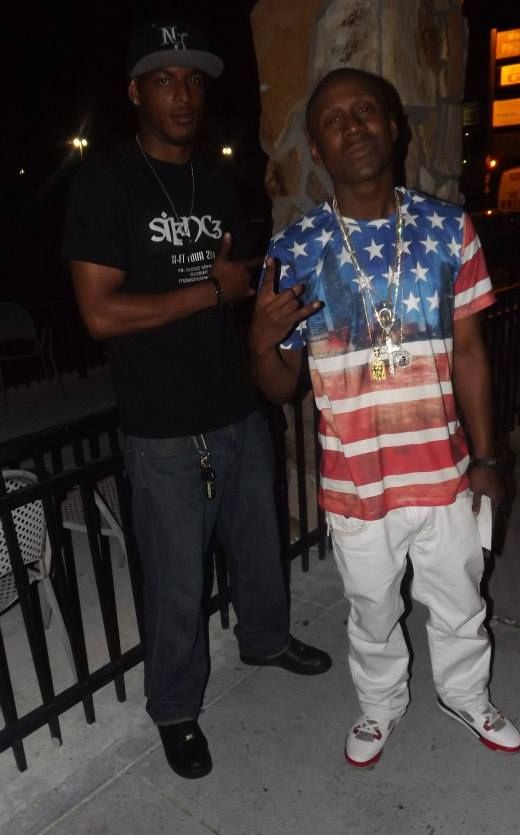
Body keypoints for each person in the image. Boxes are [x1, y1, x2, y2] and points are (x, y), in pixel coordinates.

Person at [63, 18, 331, 780]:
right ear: (135, 92)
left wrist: (261, 322)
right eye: (164, 80)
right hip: (163, 425)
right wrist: (211, 291)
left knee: (259, 550)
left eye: (192, 80)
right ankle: (175, 708)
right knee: (178, 581)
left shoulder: (215, 182)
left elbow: (236, 294)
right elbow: (99, 314)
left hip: (237, 405)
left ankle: (265, 640)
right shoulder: (104, 183)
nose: (182, 95)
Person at [250, 67, 520, 767]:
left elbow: (470, 353)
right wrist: (260, 341)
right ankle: (380, 705)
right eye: (333, 120)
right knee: (372, 611)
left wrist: (488, 459)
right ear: (317, 149)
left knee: (460, 600)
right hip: (356, 481)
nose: (353, 127)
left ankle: (465, 693)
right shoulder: (295, 251)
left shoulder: (449, 229)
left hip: (443, 471)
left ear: (394, 126)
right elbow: (279, 389)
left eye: (365, 111)